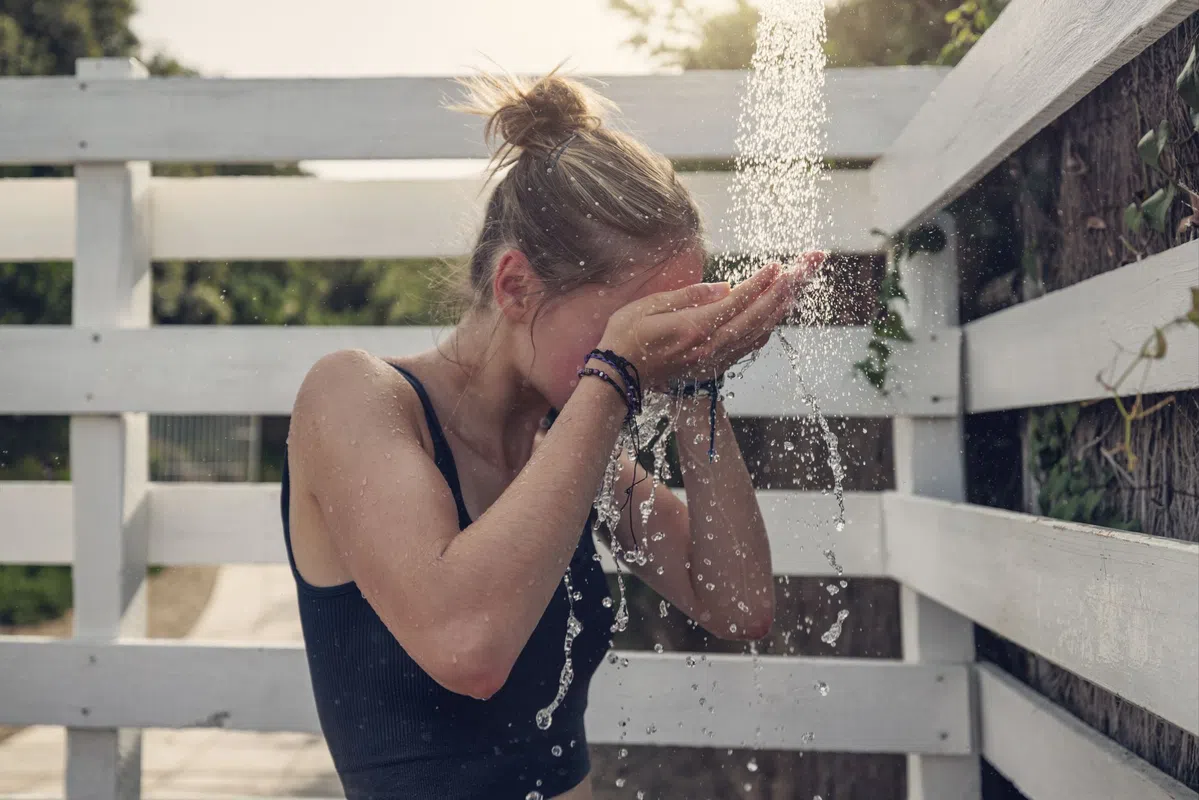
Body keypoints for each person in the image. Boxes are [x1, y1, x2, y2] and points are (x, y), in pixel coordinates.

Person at [281, 69, 825, 800]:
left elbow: (736, 603)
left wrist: (697, 384)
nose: (654, 350)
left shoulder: (566, 444)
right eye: (634, 324)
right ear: (514, 288)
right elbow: (466, 648)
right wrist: (615, 373)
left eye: (672, 321)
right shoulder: (354, 395)